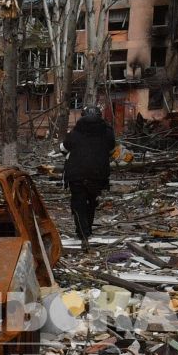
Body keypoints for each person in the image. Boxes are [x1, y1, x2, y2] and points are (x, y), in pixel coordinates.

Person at [62, 105, 116, 250]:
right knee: (92, 202)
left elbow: (64, 148)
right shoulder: (108, 132)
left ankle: (82, 233)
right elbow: (112, 149)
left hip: (76, 174)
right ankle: (88, 230)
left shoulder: (75, 131)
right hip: (98, 175)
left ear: (82, 115)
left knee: (78, 204)